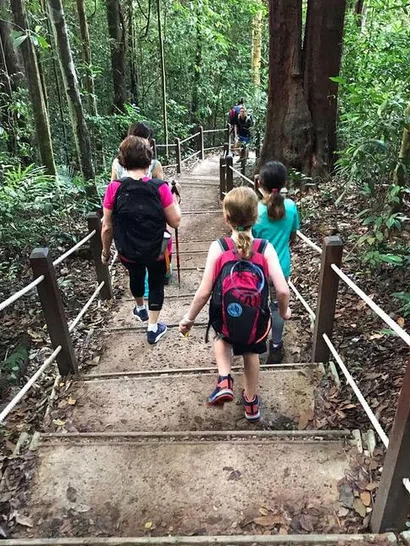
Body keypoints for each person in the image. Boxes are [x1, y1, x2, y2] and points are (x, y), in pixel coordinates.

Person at [179, 187, 291, 422]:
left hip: (226, 315)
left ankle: (224, 378)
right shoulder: (264, 248)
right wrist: (284, 311)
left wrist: (188, 319)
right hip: (257, 320)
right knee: (251, 351)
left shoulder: (219, 248)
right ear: (256, 216)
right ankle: (251, 403)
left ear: (226, 217)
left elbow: (204, 291)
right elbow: (282, 289)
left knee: (222, 338)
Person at [102, 136, 182, 344]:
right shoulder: (159, 187)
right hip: (156, 248)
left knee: (135, 275)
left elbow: (107, 226)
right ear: (149, 159)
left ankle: (139, 308)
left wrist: (104, 251)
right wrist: (174, 199)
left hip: (127, 248)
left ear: (122, 161)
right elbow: (175, 221)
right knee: (156, 283)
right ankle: (153, 328)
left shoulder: (114, 188)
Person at [253, 161, 299, 364]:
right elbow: (293, 235)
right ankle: (277, 345)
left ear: (259, 183)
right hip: (282, 267)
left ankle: (257, 341)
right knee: (277, 307)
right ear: (284, 184)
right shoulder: (290, 207)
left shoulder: (254, 211)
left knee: (257, 305)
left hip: (257, 268)